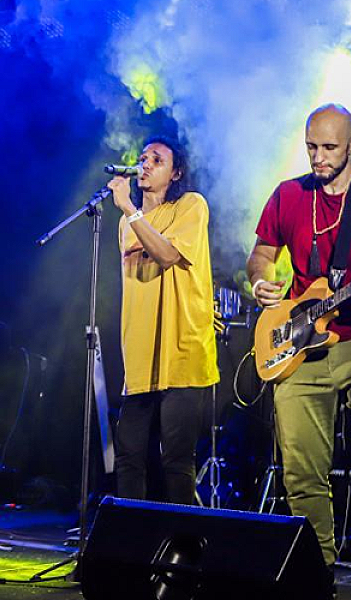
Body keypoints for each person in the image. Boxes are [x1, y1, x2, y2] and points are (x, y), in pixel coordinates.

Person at [247, 104, 351, 599]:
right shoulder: (288, 194)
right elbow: (260, 253)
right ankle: (315, 566)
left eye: (329, 148)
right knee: (300, 461)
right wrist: (261, 281)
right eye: (311, 147)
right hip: (303, 343)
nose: (318, 158)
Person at [109, 136, 219, 505]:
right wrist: (132, 214)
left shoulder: (191, 206)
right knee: (129, 457)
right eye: (143, 158)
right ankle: (129, 547)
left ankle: (180, 550)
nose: (146, 164)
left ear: (176, 173)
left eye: (157, 159)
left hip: (182, 351)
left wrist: (129, 209)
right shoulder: (128, 225)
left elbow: (169, 255)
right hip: (140, 356)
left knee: (175, 459)